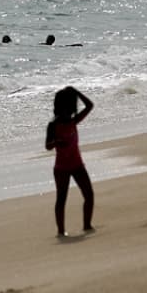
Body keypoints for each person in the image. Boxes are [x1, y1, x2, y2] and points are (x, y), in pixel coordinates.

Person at [45, 86, 95, 238]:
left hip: (78, 165)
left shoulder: (74, 120)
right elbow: (47, 146)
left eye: (70, 107)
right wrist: (56, 142)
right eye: (65, 107)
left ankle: (87, 225)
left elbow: (90, 105)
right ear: (59, 107)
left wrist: (76, 92)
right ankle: (61, 231)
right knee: (61, 199)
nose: (68, 111)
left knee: (89, 195)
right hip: (61, 168)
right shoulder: (53, 125)